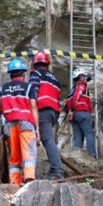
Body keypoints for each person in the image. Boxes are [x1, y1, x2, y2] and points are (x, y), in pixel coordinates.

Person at [0, 59, 39, 185]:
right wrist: (37, 129)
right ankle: (29, 178)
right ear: (23, 74)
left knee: (14, 156)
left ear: (10, 74)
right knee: (29, 153)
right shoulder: (29, 87)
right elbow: (33, 107)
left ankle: (14, 183)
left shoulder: (2, 89)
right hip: (26, 123)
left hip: (9, 125)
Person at [29, 51, 65, 179]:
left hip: (42, 111)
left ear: (35, 64)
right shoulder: (55, 78)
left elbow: (32, 93)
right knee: (49, 140)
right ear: (47, 64)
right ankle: (54, 169)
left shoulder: (35, 74)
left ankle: (57, 171)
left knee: (48, 140)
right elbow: (58, 97)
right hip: (53, 113)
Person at [66, 68, 96, 158]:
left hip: (74, 116)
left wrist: (70, 112)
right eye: (84, 77)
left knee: (78, 136)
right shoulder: (81, 86)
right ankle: (92, 156)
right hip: (82, 112)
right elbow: (76, 97)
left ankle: (77, 157)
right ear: (80, 77)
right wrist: (74, 109)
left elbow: (68, 102)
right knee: (89, 134)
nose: (85, 80)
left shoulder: (72, 90)